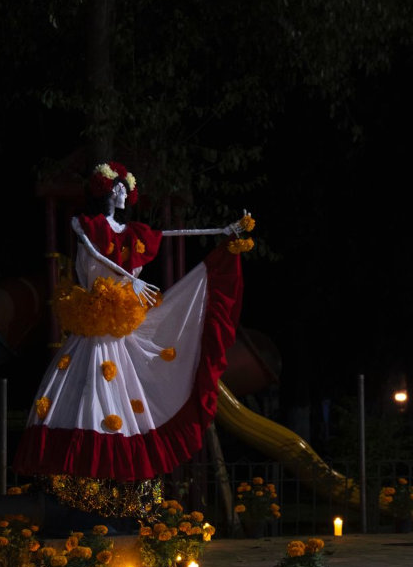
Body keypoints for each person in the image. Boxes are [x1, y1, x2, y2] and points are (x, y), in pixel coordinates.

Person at [13, 161, 252, 481]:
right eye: (118, 187)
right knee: (89, 391)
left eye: (127, 187)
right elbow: (95, 255)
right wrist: (131, 279)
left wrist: (222, 232)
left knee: (126, 394)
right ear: (106, 191)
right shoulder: (84, 224)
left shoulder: (133, 234)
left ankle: (113, 479)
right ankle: (83, 476)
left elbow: (171, 233)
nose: (124, 192)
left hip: (120, 326)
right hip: (95, 325)